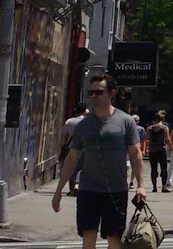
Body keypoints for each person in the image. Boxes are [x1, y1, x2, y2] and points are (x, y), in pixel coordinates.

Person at [52, 73, 145, 249]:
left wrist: (141, 185)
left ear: (112, 93)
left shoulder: (125, 121)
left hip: (116, 190)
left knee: (114, 239)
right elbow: (72, 158)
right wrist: (59, 191)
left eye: (99, 92)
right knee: (88, 236)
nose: (94, 96)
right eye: (91, 92)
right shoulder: (83, 125)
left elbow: (135, 154)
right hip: (88, 189)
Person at [60, 103, 89, 195]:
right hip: (85, 147)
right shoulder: (88, 121)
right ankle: (78, 183)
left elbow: (64, 135)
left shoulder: (69, 121)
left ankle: (72, 188)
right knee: (82, 167)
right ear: (85, 111)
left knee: (71, 167)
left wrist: (63, 145)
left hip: (71, 147)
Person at [147, 111, 171, 192]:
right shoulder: (165, 128)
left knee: (153, 169)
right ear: (163, 119)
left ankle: (154, 187)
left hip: (152, 150)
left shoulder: (150, 128)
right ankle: (164, 187)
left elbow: (147, 139)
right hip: (161, 149)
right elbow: (167, 139)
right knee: (164, 168)